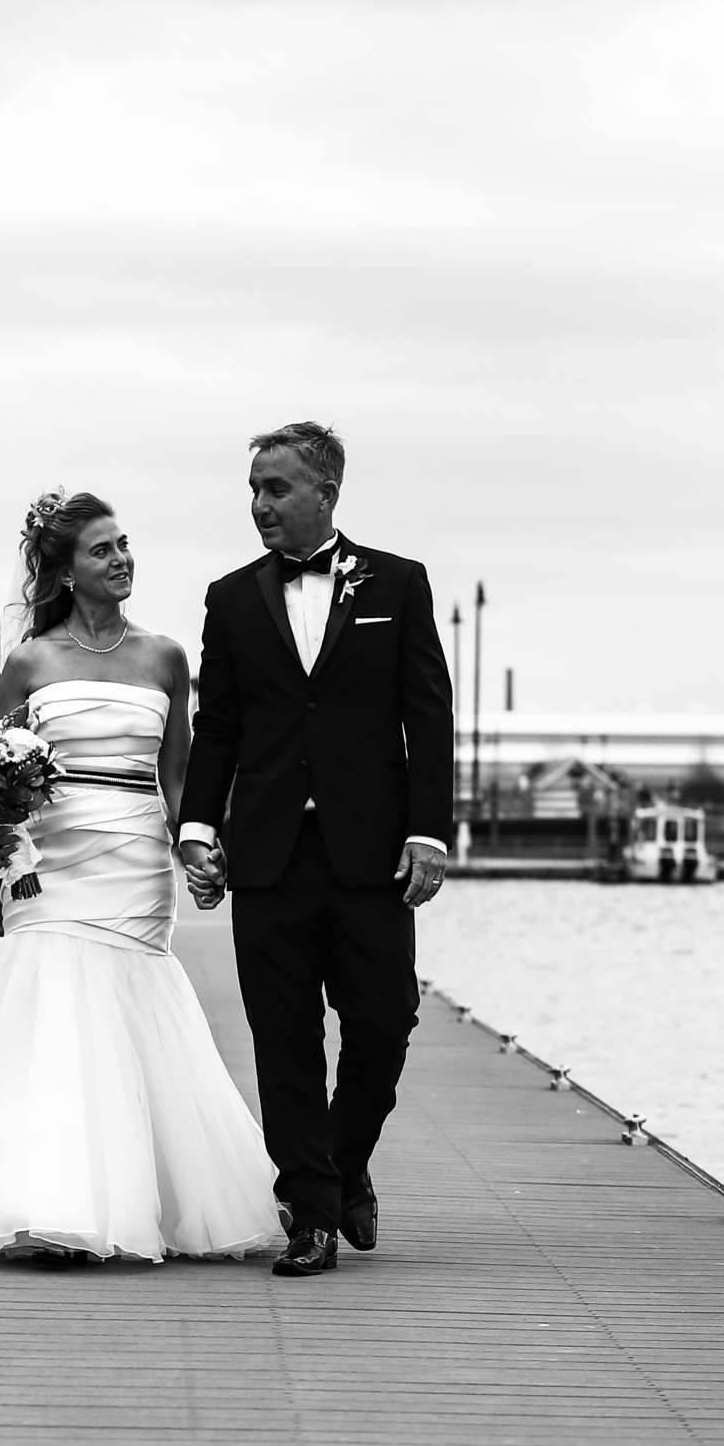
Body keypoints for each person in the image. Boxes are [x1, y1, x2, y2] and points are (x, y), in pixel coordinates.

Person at [0, 491, 286, 1264]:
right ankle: (48, 1198)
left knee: (126, 1013)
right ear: (65, 570)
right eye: (103, 549)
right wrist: (12, 860)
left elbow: (177, 777)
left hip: (134, 858)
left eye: (125, 543)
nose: (122, 558)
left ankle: (135, 1198)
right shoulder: (31, 661)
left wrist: (196, 846)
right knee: (56, 1010)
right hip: (51, 859)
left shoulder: (165, 657)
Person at [177, 423, 456, 1277]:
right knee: (283, 1036)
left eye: (276, 487)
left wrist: (428, 829)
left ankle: (340, 1159)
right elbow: (216, 725)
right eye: (254, 488)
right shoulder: (229, 599)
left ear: (325, 492)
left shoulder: (398, 584)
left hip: (371, 851)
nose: (259, 504)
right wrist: (196, 829)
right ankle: (310, 1212)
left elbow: (428, 714)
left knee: (383, 1020)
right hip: (267, 853)